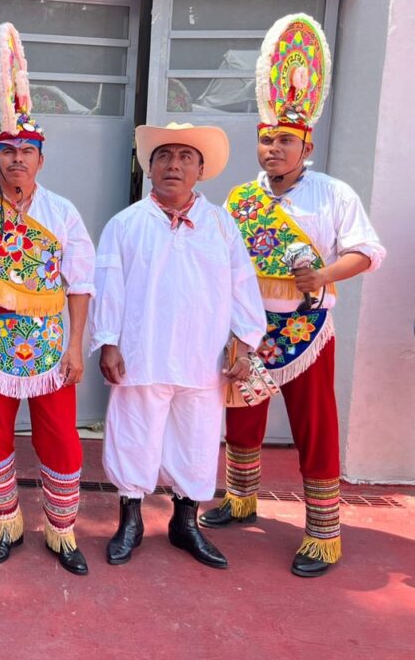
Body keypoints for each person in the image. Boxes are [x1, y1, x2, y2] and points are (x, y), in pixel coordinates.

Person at [200, 13, 386, 578]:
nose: (274, 148)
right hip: (252, 326)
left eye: (285, 141)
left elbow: (367, 251)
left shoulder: (332, 194)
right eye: (267, 139)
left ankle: (324, 532)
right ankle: (240, 498)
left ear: (306, 145)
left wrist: (324, 275)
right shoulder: (241, 199)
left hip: (308, 329)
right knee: (243, 414)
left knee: (314, 424)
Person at [0, 23, 95, 574]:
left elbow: (80, 284)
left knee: (61, 440)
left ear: (40, 159)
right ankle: (4, 524)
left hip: (51, 346)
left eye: (27, 151)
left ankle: (62, 531)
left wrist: (75, 347)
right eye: (7, 151)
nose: (17, 160)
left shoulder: (63, 214)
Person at [91, 122, 266, 569]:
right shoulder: (125, 224)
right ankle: (130, 521)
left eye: (186, 157)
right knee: (134, 434)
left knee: (198, 438)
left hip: (203, 355)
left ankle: (185, 522)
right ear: (149, 168)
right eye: (164, 156)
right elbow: (108, 285)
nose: (174, 165)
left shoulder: (221, 225)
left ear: (200, 170)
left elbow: (243, 285)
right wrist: (108, 341)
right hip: (142, 351)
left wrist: (246, 342)